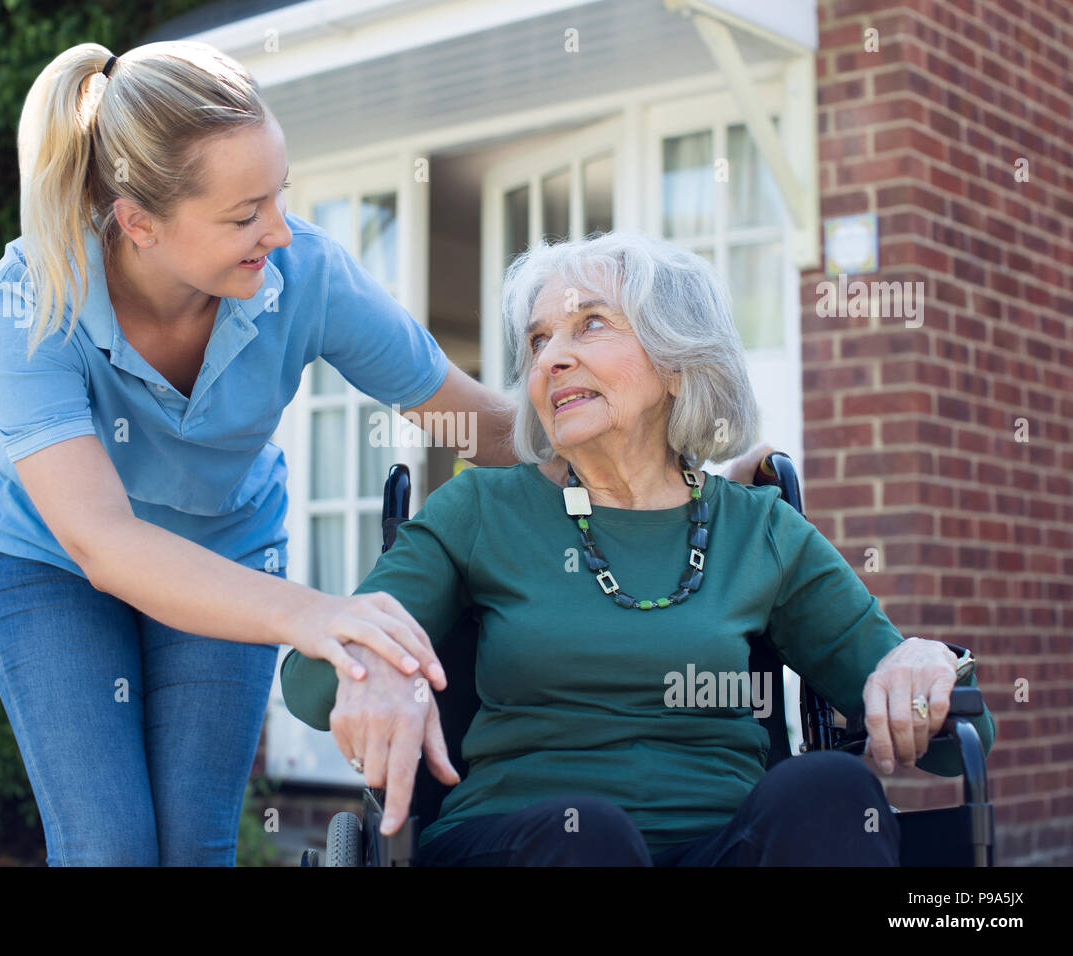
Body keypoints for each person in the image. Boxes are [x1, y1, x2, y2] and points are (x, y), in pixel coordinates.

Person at [0, 39, 778, 866]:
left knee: (194, 843)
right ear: (139, 223)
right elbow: (104, 542)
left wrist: (688, 484)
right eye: (243, 215)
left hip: (222, 540)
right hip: (55, 561)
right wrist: (316, 615)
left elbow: (477, 426)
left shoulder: (302, 272)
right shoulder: (28, 300)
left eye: (277, 196)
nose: (277, 230)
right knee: (109, 846)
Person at [280, 231, 995, 866]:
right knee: (585, 834)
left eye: (589, 325)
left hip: (722, 842)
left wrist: (925, 664)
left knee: (836, 791)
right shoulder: (480, 509)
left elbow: (960, 734)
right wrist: (372, 663)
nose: (552, 360)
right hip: (526, 842)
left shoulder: (758, 530)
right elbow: (311, 689)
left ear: (677, 362)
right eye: (537, 342)